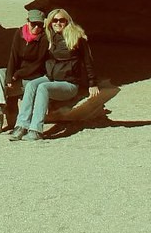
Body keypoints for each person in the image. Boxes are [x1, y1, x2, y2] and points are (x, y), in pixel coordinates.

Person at [9, 8, 100, 142]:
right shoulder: (49, 37)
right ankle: (21, 126)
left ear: (67, 21)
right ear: (50, 23)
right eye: (54, 20)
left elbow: (88, 62)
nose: (58, 23)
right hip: (50, 77)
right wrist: (16, 73)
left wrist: (93, 83)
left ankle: (36, 130)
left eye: (61, 20)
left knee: (43, 88)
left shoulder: (77, 39)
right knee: (32, 85)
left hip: (68, 83)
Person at [0, 9, 49, 134]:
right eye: (34, 24)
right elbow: (13, 56)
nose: (37, 27)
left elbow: (37, 65)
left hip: (32, 80)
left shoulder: (44, 39)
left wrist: (16, 75)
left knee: (14, 82)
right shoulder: (20, 33)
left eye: (40, 25)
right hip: (19, 77)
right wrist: (8, 77)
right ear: (28, 22)